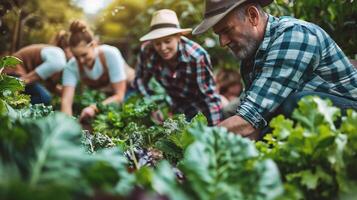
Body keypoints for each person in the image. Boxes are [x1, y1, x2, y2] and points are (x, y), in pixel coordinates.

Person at [193, 0, 357, 139]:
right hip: (318, 123)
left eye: (227, 30)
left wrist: (200, 143)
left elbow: (248, 119)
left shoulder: (294, 35)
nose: (222, 42)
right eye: (218, 35)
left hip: (351, 115)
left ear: (253, 16)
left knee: (299, 104)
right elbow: (254, 120)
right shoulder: (250, 59)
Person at [134, 9, 222, 125]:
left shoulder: (197, 57)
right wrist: (151, 106)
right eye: (157, 43)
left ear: (178, 37)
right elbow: (139, 79)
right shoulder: (147, 51)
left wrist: (215, 128)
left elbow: (208, 96)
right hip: (175, 105)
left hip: (199, 106)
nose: (163, 48)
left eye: (167, 41)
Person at [61, 20, 127, 121]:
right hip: (107, 98)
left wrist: (93, 108)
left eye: (84, 55)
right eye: (76, 57)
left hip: (129, 91)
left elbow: (119, 95)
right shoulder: (71, 67)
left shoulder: (110, 54)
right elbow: (66, 101)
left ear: (93, 45)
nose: (81, 61)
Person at [4, 30, 72, 105]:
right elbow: (27, 79)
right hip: (12, 72)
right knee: (44, 97)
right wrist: (8, 91)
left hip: (15, 72)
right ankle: (12, 110)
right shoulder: (59, 60)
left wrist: (67, 92)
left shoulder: (56, 53)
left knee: (43, 95)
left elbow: (49, 85)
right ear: (68, 48)